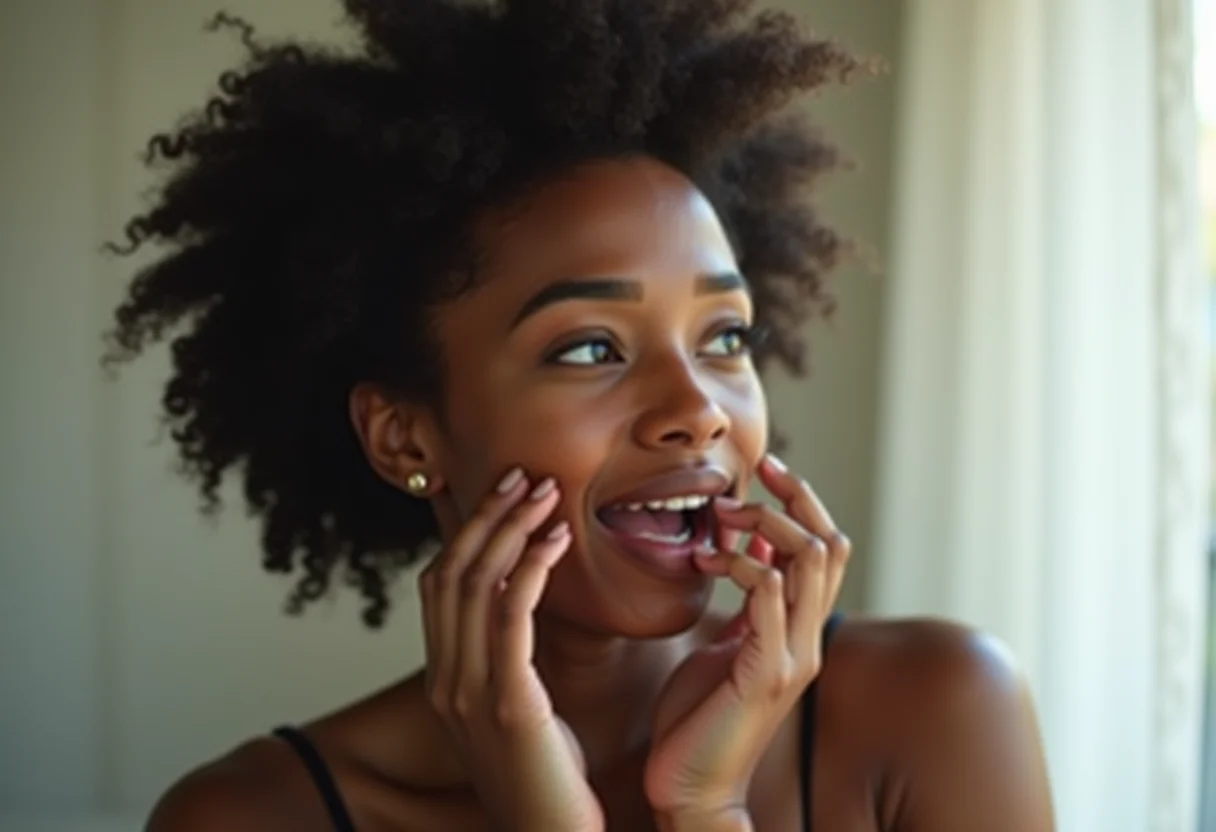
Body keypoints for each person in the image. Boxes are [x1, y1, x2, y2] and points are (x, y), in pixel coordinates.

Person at [106, 1, 1055, 829]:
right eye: (591, 348)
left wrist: (705, 812)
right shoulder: (250, 820)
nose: (696, 410)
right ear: (407, 437)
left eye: (724, 337)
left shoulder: (938, 712)